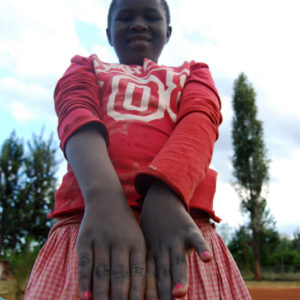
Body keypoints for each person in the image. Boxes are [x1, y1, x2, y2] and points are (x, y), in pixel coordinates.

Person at [25, 0, 251, 299]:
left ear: (168, 32)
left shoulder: (195, 73)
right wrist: (104, 199)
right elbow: (75, 113)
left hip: (177, 232)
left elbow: (200, 123)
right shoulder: (84, 68)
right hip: (92, 226)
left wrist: (166, 196)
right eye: (126, 17)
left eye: (151, 16)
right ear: (108, 32)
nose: (139, 23)